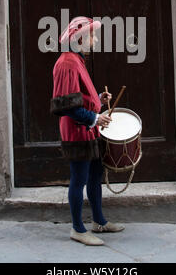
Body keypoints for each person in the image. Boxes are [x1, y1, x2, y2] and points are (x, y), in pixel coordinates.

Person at [50, 16, 125, 246]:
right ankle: (77, 229)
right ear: (79, 39)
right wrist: (95, 117)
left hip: (88, 129)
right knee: (79, 179)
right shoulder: (67, 63)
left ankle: (99, 222)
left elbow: (79, 96)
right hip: (77, 131)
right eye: (91, 36)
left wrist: (98, 101)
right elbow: (65, 106)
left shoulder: (77, 60)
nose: (94, 40)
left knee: (94, 176)